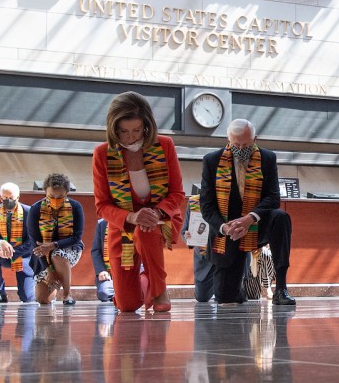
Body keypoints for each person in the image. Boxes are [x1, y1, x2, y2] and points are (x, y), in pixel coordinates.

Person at [91, 91, 186, 313]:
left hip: (161, 220)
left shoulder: (165, 145)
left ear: (146, 125)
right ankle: (148, 278)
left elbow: (177, 193)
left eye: (136, 130)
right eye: (123, 132)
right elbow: (102, 205)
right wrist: (131, 216)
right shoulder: (102, 153)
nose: (131, 137)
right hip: (123, 224)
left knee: (145, 229)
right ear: (114, 129)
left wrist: (155, 213)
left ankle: (160, 288)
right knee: (127, 305)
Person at [199, 119, 296, 306]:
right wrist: (225, 228)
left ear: (255, 140)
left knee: (281, 217)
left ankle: (281, 288)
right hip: (228, 232)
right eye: (236, 144)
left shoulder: (267, 158)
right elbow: (207, 206)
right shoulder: (211, 161)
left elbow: (273, 197)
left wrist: (250, 218)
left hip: (257, 225)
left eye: (246, 145)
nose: (241, 149)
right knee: (226, 297)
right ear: (228, 139)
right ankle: (238, 286)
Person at [28, 173, 84, 306]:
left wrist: (53, 245)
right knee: (43, 299)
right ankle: (59, 276)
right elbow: (34, 244)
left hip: (69, 249)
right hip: (42, 254)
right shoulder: (35, 209)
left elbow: (77, 237)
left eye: (60, 197)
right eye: (51, 196)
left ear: (67, 193)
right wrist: (48, 270)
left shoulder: (75, 207)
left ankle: (67, 294)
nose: (55, 200)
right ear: (45, 192)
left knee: (57, 255)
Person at [0, 182, 33, 303]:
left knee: (27, 298)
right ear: (0, 197)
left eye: (11, 198)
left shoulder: (29, 212)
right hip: (3, 254)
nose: (8, 201)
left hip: (24, 255)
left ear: (18, 197)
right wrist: (1, 243)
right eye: (5, 198)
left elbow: (32, 242)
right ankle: (0, 292)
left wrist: (11, 252)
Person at [90, 218, 116, 303]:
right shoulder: (102, 223)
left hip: (130, 271)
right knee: (104, 293)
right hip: (109, 272)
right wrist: (101, 270)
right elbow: (96, 250)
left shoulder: (133, 220)